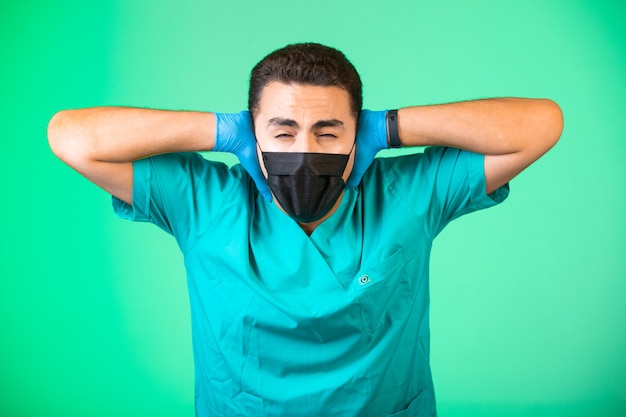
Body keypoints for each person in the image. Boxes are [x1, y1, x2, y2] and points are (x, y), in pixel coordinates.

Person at [48, 43, 563, 416]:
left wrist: (391, 127)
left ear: (356, 136)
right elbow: (70, 137)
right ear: (254, 134)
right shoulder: (203, 202)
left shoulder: (409, 195)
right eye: (282, 130)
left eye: (328, 131)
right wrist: (220, 130)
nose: (303, 151)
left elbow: (541, 124)